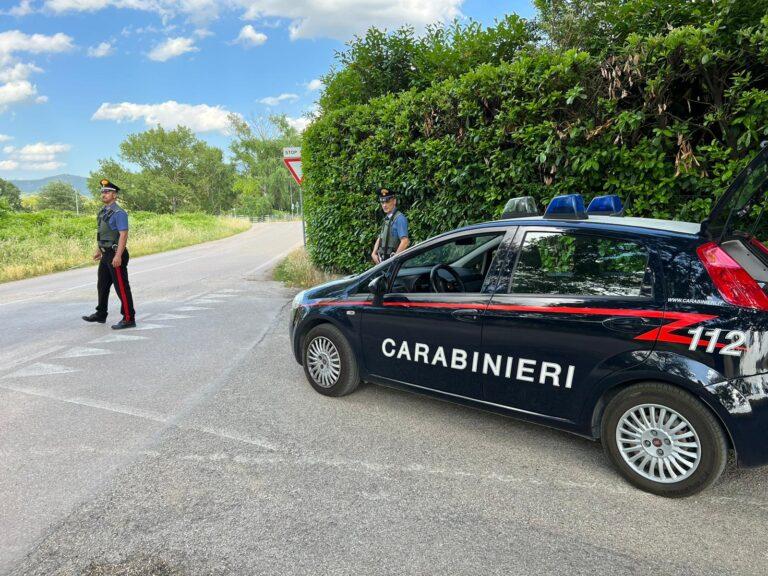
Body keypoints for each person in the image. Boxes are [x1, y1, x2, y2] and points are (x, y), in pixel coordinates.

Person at [82, 179, 136, 329]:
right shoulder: (103, 212)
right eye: (103, 192)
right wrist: (99, 250)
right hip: (106, 254)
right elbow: (103, 233)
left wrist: (118, 255)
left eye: (107, 192)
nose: (104, 194)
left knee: (121, 287)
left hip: (115, 253)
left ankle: (129, 318)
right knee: (102, 285)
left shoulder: (119, 213)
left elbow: (123, 235)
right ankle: (101, 314)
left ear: (114, 195)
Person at [371, 187, 410, 264]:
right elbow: (381, 237)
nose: (384, 205)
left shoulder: (399, 218)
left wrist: (394, 259)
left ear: (394, 201)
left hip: (393, 264)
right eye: (382, 202)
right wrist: (374, 253)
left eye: (387, 202)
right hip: (384, 262)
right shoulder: (387, 218)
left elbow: (405, 241)